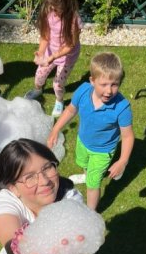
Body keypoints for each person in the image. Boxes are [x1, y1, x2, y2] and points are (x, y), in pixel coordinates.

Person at [47, 52, 134, 210]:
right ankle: (86, 175)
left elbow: (127, 136)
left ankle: (90, 213)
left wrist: (122, 161)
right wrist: (55, 129)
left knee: (93, 185)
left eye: (114, 84)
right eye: (104, 84)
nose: (109, 91)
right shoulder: (82, 91)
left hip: (102, 151)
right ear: (92, 81)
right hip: (83, 141)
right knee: (84, 164)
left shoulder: (122, 107)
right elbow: (70, 110)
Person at [24, 0, 82, 118]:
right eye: (50, 4)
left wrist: (53, 57)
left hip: (67, 56)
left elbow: (70, 45)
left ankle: (59, 101)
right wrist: (41, 52)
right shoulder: (48, 10)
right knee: (39, 76)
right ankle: (38, 90)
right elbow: (45, 36)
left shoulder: (73, 19)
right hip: (50, 52)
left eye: (56, 6)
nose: (53, 8)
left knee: (58, 84)